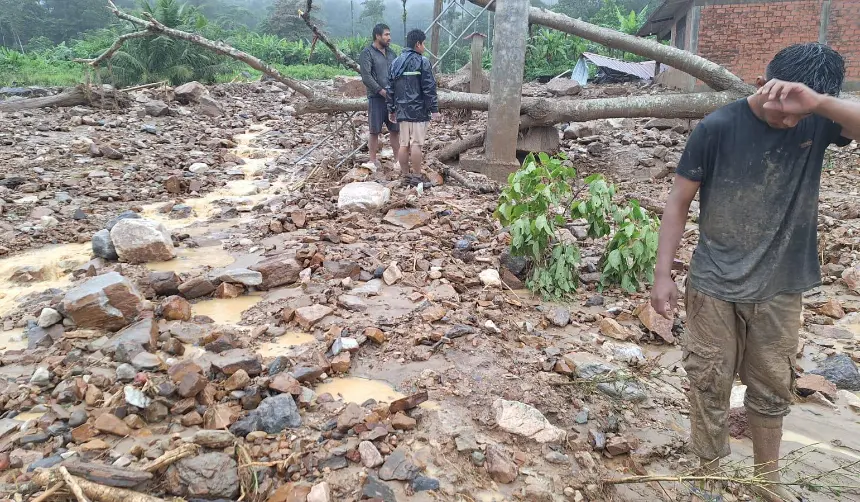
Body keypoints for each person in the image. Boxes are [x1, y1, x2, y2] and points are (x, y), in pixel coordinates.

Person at [651, 43, 858, 502]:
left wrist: (817, 105)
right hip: (712, 285)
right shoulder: (717, 127)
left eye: (797, 114)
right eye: (778, 107)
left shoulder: (818, 120)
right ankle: (708, 475)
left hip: (781, 285)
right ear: (763, 83)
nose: (786, 121)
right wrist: (663, 274)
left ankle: (767, 482)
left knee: (771, 389)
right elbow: (679, 202)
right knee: (709, 381)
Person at [386, 28, 440, 178]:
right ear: (417, 44)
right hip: (418, 111)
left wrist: (391, 109)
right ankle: (416, 176)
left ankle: (405, 174)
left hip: (402, 110)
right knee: (416, 144)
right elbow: (429, 87)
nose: (424, 47)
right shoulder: (423, 61)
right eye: (423, 44)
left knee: (404, 144)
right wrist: (434, 109)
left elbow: (390, 88)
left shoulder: (396, 62)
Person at [358, 23, 400, 169]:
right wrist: (382, 91)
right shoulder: (367, 53)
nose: (389, 37)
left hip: (392, 98)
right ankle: (372, 161)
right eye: (386, 34)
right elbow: (366, 77)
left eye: (389, 34)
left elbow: (397, 73)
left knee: (395, 129)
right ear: (377, 36)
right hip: (376, 98)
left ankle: (397, 161)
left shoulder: (392, 54)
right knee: (374, 130)